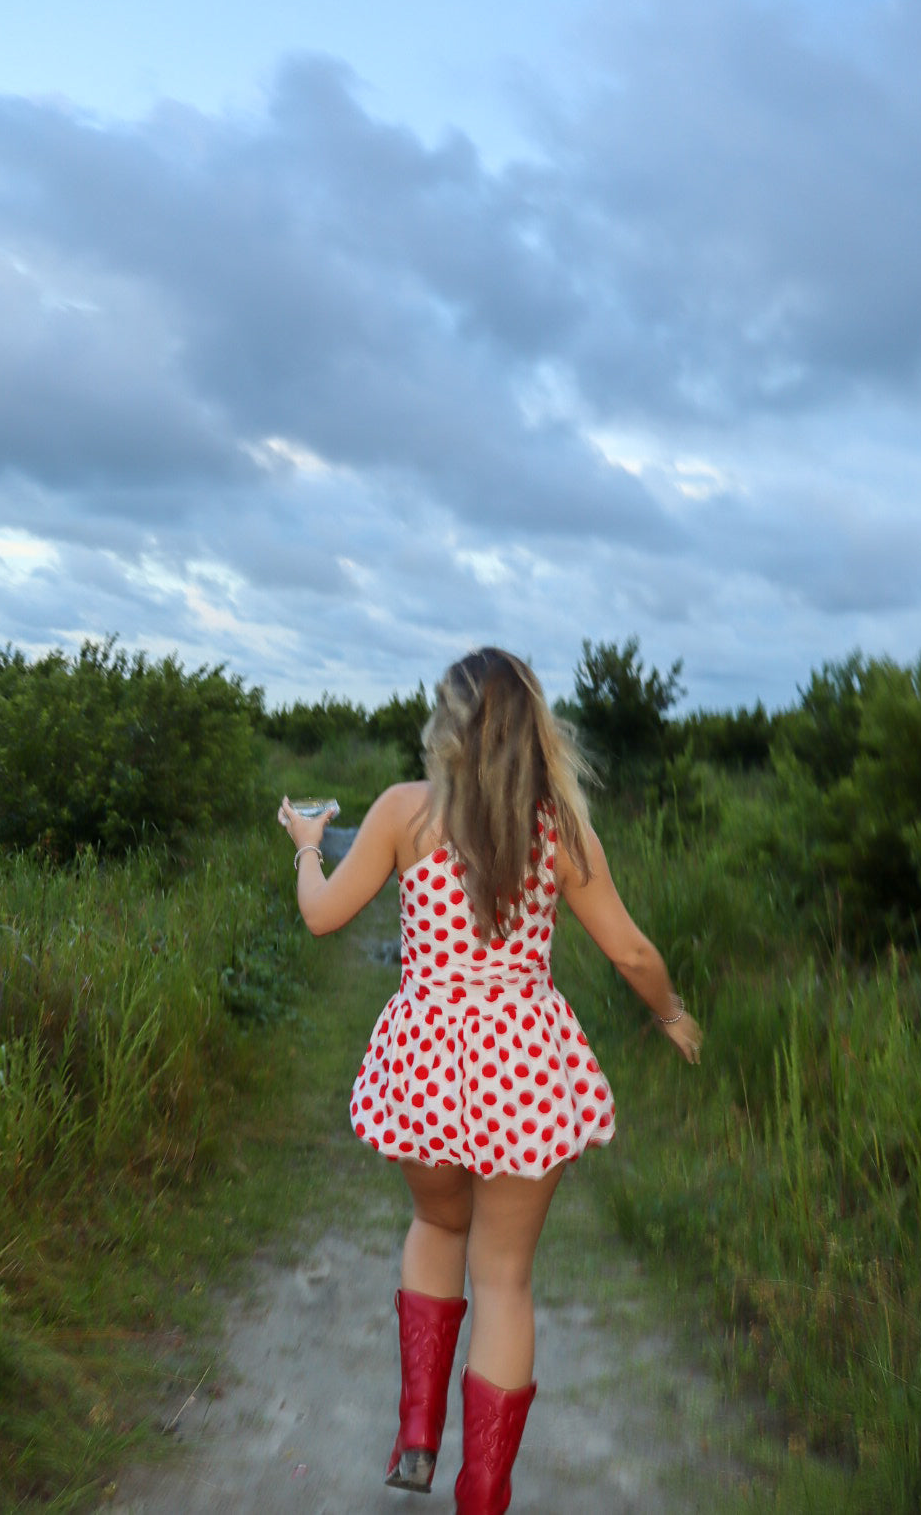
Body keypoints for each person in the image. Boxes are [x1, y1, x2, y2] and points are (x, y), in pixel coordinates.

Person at [277, 647, 701, 1515]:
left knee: (437, 1224)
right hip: (526, 1066)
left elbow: (321, 917)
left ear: (451, 726)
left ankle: (418, 1437)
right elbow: (629, 950)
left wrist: (309, 847)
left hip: (427, 1061)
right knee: (503, 1276)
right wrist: (668, 1014)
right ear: (534, 729)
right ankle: (482, 1496)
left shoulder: (405, 813)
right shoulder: (563, 832)